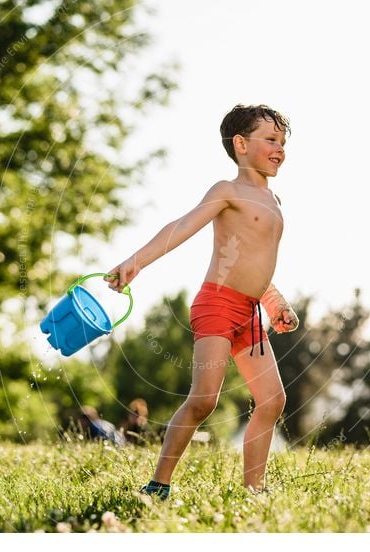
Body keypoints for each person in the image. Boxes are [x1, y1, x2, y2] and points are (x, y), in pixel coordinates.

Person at [106, 104, 299, 499]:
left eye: (283, 141)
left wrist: (275, 302)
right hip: (216, 304)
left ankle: (254, 491)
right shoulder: (227, 191)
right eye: (270, 139)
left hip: (249, 312)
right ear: (241, 144)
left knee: (272, 400)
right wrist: (134, 262)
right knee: (203, 401)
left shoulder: (275, 201)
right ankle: (158, 484)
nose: (280, 148)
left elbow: (253, 263)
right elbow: (180, 227)